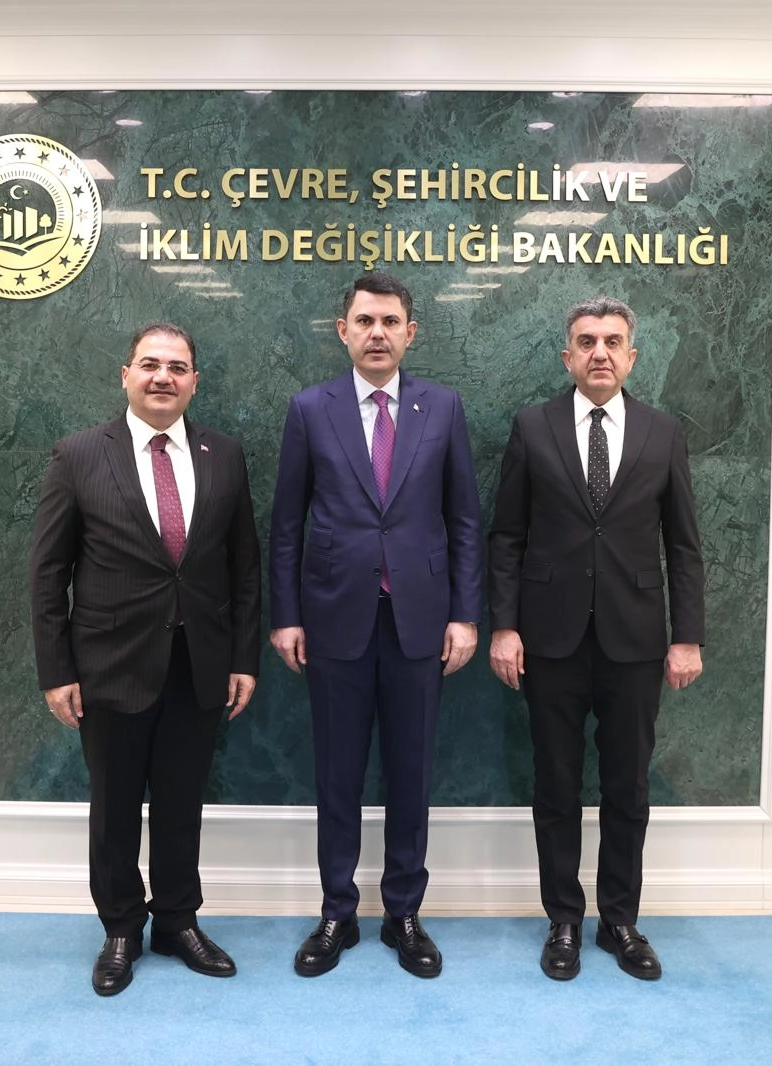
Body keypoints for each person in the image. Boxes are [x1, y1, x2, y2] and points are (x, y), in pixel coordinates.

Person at [30, 323, 261, 997]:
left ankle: (178, 922)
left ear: (194, 382)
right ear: (125, 375)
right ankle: (121, 929)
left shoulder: (224, 455)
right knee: (115, 807)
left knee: (183, 803)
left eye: (178, 367)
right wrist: (56, 671)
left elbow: (244, 569)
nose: (164, 377)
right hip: (108, 666)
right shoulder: (79, 455)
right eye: (151, 365)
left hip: (199, 664)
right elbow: (48, 573)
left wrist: (242, 658)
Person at [269, 272, 483, 979]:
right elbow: (286, 526)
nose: (377, 334)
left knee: (411, 774)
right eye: (364, 321)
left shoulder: (442, 406)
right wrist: (286, 617)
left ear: (410, 333)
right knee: (336, 772)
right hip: (334, 619)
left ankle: (403, 913)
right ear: (343, 331)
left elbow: (463, 520)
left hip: (420, 620)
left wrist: (465, 614)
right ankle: (337, 910)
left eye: (390, 322)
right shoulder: (311, 409)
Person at [488, 296, 705, 982]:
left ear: (631, 356)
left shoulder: (663, 432)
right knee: (555, 786)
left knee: (627, 787)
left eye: (613, 341)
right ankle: (562, 919)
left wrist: (687, 637)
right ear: (568, 356)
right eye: (586, 341)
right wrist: (504, 626)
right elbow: (507, 536)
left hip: (635, 641)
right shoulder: (533, 426)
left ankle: (619, 920)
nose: (600, 353)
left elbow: (684, 545)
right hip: (548, 639)